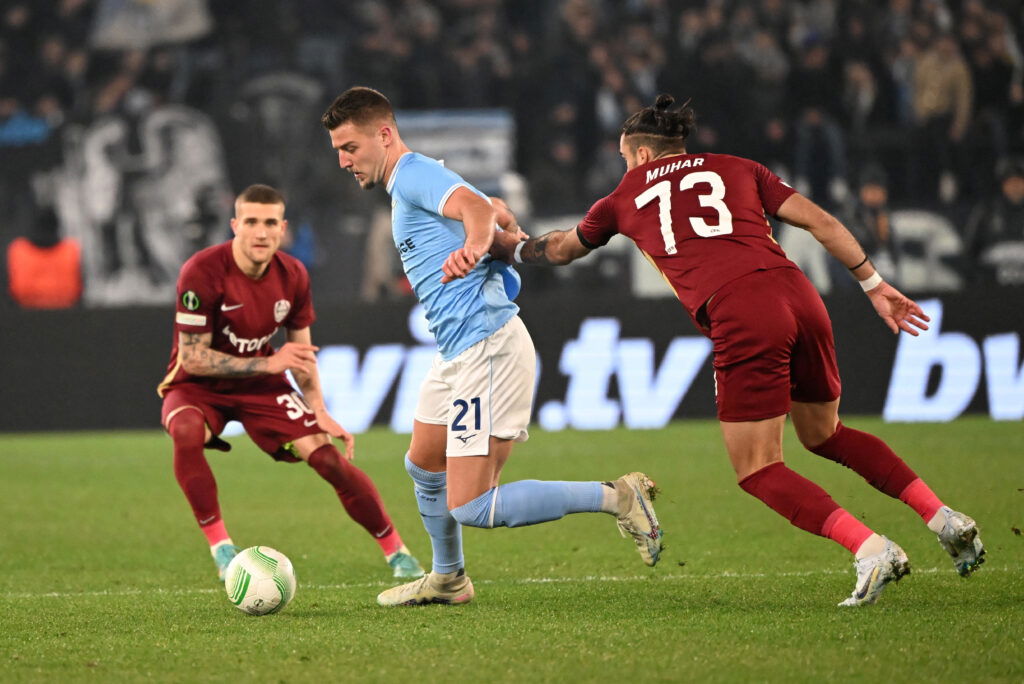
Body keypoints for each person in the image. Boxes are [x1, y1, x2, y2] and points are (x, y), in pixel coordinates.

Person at [477, 95, 985, 607]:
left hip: (742, 312)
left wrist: (505, 246)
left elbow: (562, 249)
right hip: (799, 295)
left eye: (626, 158)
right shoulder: (742, 168)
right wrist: (875, 285)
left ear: (644, 156)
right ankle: (945, 519)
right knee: (825, 433)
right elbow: (822, 222)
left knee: (758, 469)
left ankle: (871, 548)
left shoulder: (625, 195)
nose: (625, 167)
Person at [321, 87, 662, 607]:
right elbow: (487, 208)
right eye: (339, 151)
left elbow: (475, 207)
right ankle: (449, 579)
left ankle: (618, 497)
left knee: (473, 505)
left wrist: (478, 240)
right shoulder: (410, 184)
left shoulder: (411, 172)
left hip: (487, 349)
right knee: (422, 464)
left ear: (384, 135)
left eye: (350, 147)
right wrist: (500, 235)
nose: (344, 161)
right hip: (457, 352)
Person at [157, 183, 425, 582]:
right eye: (251, 222)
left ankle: (397, 553)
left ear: (283, 229)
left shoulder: (293, 275)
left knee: (328, 458)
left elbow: (301, 355)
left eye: (269, 223)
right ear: (235, 226)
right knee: (186, 429)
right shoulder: (202, 270)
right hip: (199, 384)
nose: (260, 232)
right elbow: (194, 357)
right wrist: (269, 366)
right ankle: (221, 547)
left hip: (261, 387)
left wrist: (320, 411)